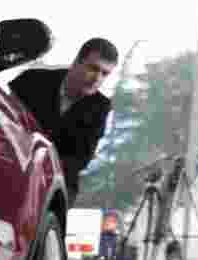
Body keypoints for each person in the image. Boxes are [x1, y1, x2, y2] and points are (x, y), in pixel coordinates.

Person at [9, 38, 118, 206]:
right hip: (12, 161)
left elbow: (80, 160)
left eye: (105, 73)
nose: (97, 78)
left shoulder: (101, 108)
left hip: (57, 183)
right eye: (93, 68)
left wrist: (39, 164)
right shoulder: (32, 80)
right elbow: (2, 118)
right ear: (77, 62)